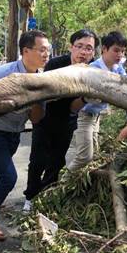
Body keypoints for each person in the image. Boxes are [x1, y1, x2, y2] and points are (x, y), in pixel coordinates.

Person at [0, 30, 49, 241]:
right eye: (42, 49)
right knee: (8, 177)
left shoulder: (41, 80)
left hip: (13, 134)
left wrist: (33, 99)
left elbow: (36, 119)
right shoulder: (4, 74)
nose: (46, 54)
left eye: (47, 50)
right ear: (26, 51)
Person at [22, 29, 98, 212]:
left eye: (89, 48)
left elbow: (73, 107)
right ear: (71, 47)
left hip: (68, 120)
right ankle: (31, 197)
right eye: (79, 46)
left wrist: (88, 99)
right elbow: (45, 96)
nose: (83, 52)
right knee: (37, 160)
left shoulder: (94, 70)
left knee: (56, 162)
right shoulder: (55, 64)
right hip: (45, 119)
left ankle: (47, 197)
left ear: (93, 52)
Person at [65, 31, 127, 171]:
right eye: (116, 50)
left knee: (94, 156)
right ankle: (63, 183)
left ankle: (78, 185)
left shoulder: (117, 68)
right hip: (84, 116)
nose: (120, 55)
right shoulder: (94, 68)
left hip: (96, 116)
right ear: (104, 49)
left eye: (123, 51)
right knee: (84, 157)